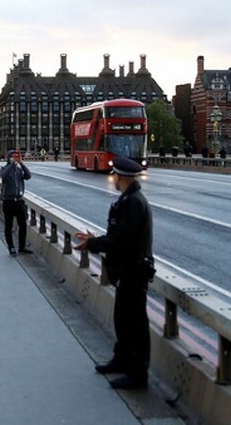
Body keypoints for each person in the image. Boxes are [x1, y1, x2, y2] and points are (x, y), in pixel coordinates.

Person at [74, 158, 154, 390]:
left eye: (114, 176)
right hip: (127, 270)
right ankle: (121, 360)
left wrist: (92, 244)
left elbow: (120, 241)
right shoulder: (129, 200)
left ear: (120, 177)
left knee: (135, 324)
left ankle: (138, 375)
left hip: (134, 270)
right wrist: (95, 241)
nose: (113, 179)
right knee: (123, 319)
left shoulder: (133, 203)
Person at [0, 149, 32, 256]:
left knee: (22, 225)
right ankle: (11, 247)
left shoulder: (19, 170)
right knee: (8, 226)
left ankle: (22, 247)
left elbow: (28, 176)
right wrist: (12, 165)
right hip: (8, 201)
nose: (15, 158)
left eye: (16, 156)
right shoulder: (5, 168)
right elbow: (3, 176)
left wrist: (22, 164)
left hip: (19, 201)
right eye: (13, 157)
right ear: (8, 158)